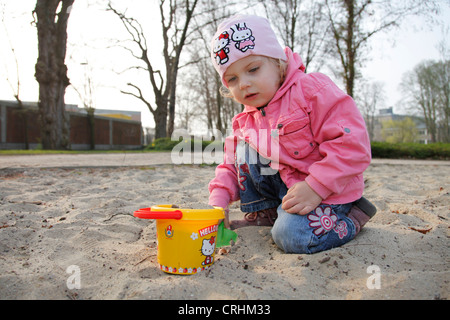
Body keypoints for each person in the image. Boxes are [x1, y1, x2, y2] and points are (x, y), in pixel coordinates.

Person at [208, 14, 376, 254]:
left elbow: (353, 145)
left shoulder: (312, 91)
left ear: (278, 63)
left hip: (328, 192)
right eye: (232, 79)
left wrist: (316, 187)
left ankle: (351, 219)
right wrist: (218, 201)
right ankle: (268, 212)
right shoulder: (246, 119)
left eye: (253, 69)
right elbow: (230, 166)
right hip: (288, 191)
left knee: (291, 236)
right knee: (244, 149)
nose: (243, 83)